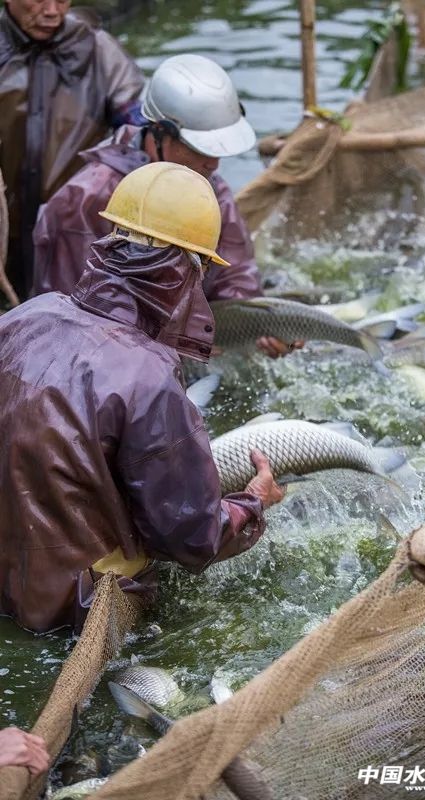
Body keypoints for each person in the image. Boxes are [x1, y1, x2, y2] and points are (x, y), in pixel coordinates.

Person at [0, 162, 284, 634]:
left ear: (111, 241)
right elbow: (191, 535)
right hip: (70, 613)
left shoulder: (25, 317)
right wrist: (254, 503)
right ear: (183, 272)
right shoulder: (147, 377)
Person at [32, 54, 303, 358]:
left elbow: (234, 278)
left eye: (218, 150)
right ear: (160, 132)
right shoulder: (86, 199)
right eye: (200, 148)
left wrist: (257, 329)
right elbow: (68, 317)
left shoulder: (209, 188)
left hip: (182, 345)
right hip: (101, 354)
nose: (213, 163)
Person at [0, 0, 145, 299]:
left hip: (73, 229)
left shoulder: (97, 49)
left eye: (62, 0)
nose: (52, 11)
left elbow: (137, 128)